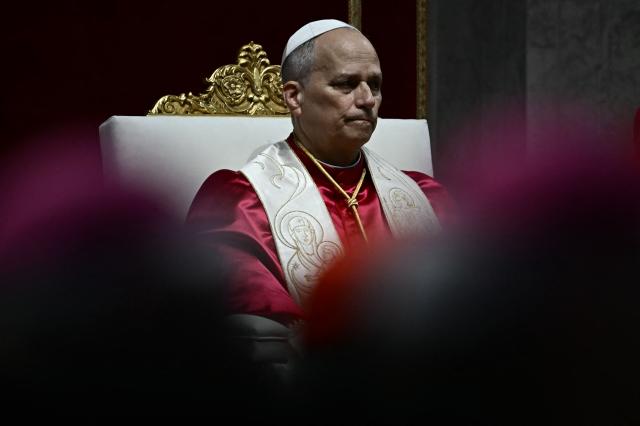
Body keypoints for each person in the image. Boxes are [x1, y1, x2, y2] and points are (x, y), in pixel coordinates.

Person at [187, 19, 451, 326]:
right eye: (346, 84)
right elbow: (254, 310)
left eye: (375, 84)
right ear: (293, 97)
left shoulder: (424, 195)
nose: (367, 99)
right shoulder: (241, 203)